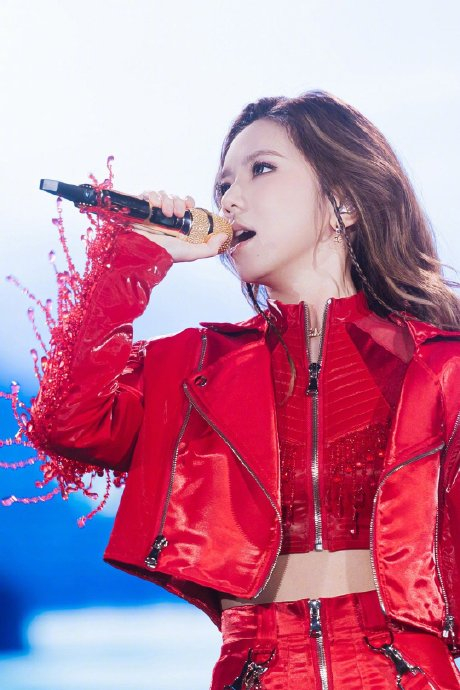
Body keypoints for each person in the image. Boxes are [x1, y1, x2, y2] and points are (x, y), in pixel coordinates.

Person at [28, 91, 460, 689]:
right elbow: (67, 422)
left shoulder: (438, 366)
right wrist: (134, 259)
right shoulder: (198, 365)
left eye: (261, 169)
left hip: (407, 674)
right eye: (223, 184)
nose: (229, 199)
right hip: (257, 671)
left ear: (343, 201)